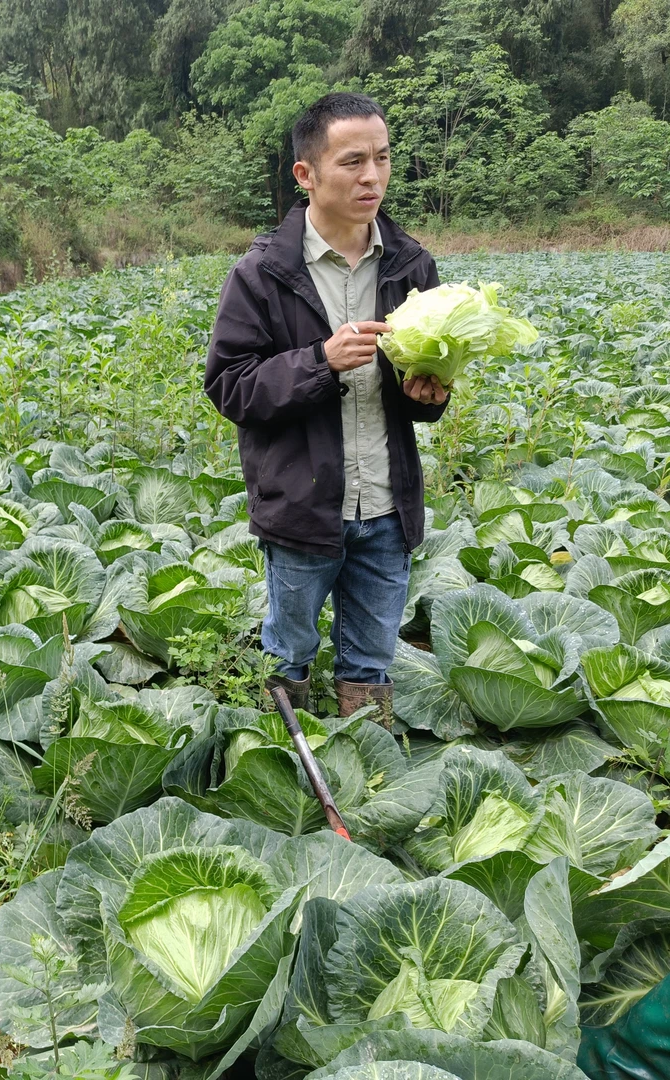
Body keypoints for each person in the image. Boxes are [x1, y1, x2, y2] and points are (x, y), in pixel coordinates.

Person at [204, 92, 450, 718]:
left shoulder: (412, 266)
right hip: (304, 506)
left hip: (388, 505)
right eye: (353, 162)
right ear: (305, 175)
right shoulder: (262, 274)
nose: (372, 177)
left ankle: (365, 773)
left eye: (383, 159)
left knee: (372, 663)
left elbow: (421, 391)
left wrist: (429, 393)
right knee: (287, 652)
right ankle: (278, 762)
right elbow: (230, 385)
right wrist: (319, 361)